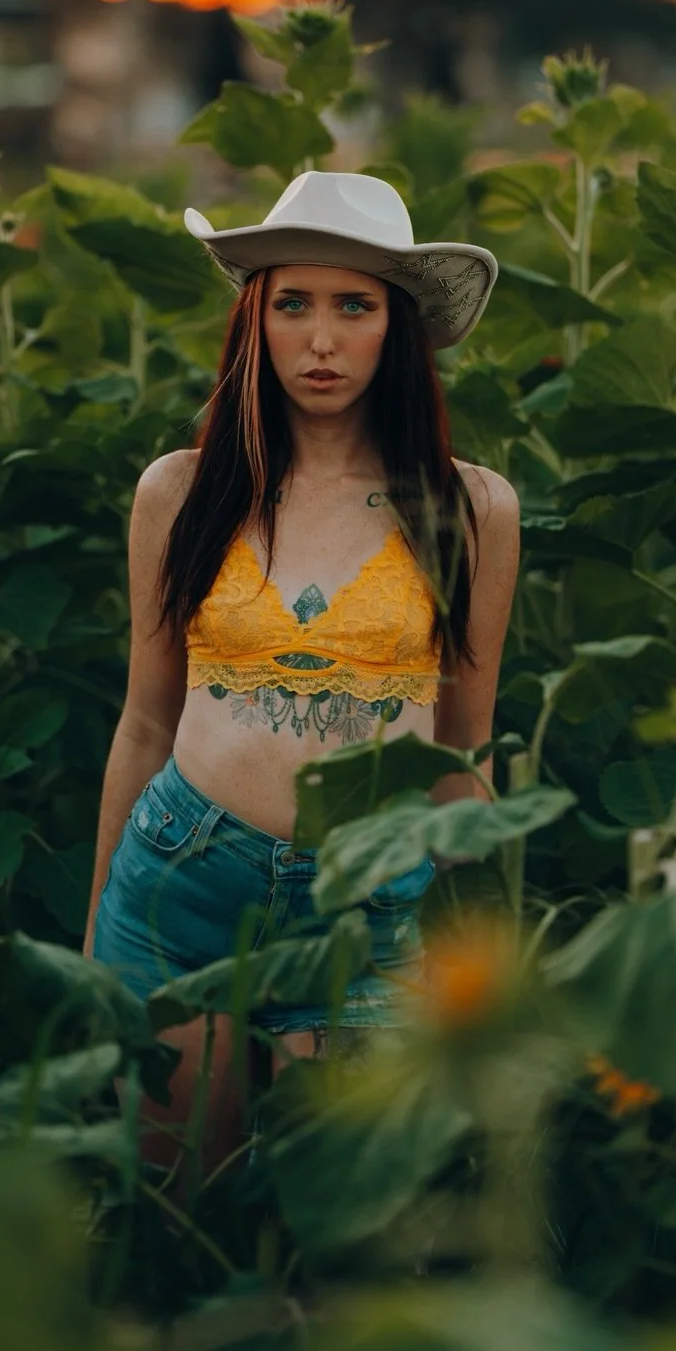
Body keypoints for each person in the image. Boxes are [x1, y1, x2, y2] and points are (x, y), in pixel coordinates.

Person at [82, 170, 519, 1154]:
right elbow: (146, 721)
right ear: (257, 318)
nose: (320, 341)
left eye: (354, 306)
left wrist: (488, 958)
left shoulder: (470, 510)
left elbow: (461, 747)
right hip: (181, 886)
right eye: (293, 304)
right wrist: (92, 944)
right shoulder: (182, 492)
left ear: (396, 326)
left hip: (367, 904)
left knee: (351, 1242)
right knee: (180, 1208)